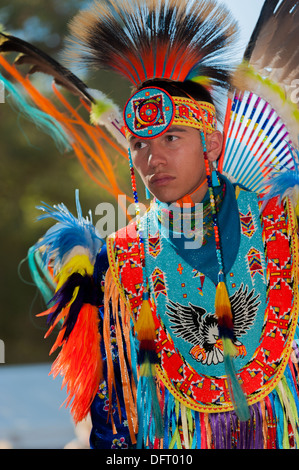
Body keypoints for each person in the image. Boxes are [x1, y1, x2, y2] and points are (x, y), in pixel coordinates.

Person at [1, 0, 299, 450]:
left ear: (213, 143)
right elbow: (111, 416)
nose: (151, 158)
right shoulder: (118, 261)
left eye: (171, 138)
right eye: (138, 144)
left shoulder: (284, 227)